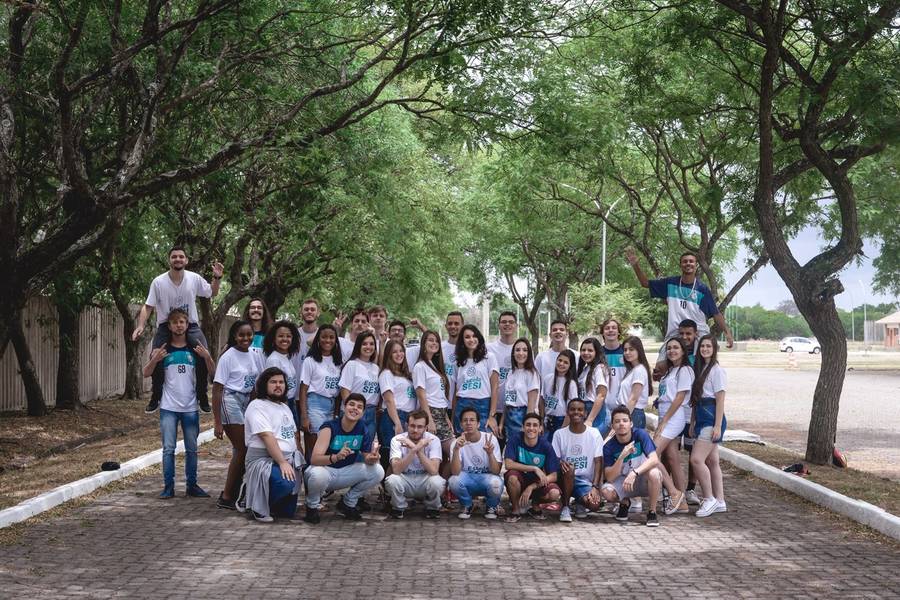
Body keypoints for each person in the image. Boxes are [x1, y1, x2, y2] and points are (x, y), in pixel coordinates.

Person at [132, 245, 223, 414]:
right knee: (156, 356)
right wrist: (140, 325)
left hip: (190, 325)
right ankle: (156, 396)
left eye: (181, 256)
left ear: (186, 260)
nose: (178, 259)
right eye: (174, 257)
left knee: (203, 355)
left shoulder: (194, 278)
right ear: (169, 260)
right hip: (166, 326)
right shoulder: (158, 282)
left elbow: (212, 293)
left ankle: (202, 396)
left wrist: (217, 277)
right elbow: (148, 306)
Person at [142, 308, 214, 499]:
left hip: (190, 408)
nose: (179, 325)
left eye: (182, 322)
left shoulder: (195, 351)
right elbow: (146, 373)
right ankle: (168, 487)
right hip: (168, 408)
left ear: (187, 325)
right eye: (175, 322)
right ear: (169, 326)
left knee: (192, 449)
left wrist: (207, 357)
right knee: (168, 449)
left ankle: (192, 485)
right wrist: (155, 359)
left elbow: (213, 372)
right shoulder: (163, 351)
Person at [625, 247, 733, 349]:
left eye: (691, 261)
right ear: (680, 265)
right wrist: (635, 265)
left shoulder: (702, 289)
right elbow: (645, 283)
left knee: (705, 363)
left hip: (698, 335)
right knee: (660, 366)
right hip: (675, 334)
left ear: (696, 265)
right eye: (685, 261)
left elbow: (716, 313)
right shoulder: (670, 283)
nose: (688, 263)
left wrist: (727, 333)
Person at [303, 394, 384, 523]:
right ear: (344, 407)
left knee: (378, 471)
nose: (355, 409)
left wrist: (373, 458)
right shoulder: (329, 427)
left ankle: (348, 503)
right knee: (318, 474)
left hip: (345, 472)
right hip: (325, 471)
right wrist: (336, 457)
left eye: (359, 407)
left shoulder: (362, 428)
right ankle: (312, 506)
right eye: (351, 404)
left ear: (363, 412)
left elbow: (366, 457)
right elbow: (314, 460)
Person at [212, 320, 265, 509]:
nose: (245, 338)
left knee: (241, 449)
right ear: (235, 336)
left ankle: (232, 492)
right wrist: (218, 422)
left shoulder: (254, 355)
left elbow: (254, 385)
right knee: (243, 447)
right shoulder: (228, 356)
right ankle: (227, 496)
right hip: (230, 399)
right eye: (241, 335)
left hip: (246, 401)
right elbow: (217, 389)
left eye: (249, 335)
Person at [241, 367, 304, 522]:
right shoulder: (257, 405)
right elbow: (266, 435)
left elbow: (294, 434)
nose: (278, 385)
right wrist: (282, 462)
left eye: (281, 382)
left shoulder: (284, 406)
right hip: (264, 459)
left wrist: (298, 454)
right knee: (286, 483)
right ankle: (253, 501)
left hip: (288, 459)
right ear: (264, 385)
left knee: (287, 513)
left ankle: (267, 500)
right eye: (273, 382)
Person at [600, 406, 665, 527]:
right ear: (612, 426)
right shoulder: (608, 446)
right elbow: (609, 477)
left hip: (642, 479)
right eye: (617, 421)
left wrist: (634, 473)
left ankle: (652, 512)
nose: (621, 424)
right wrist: (622, 456)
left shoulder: (640, 434)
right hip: (624, 482)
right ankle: (624, 503)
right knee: (606, 492)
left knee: (655, 473)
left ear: (631, 423)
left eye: (625, 420)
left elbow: (654, 459)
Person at [689, 335, 728, 517]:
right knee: (712, 461)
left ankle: (709, 498)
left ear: (714, 349)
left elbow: (720, 399)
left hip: (712, 417)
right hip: (701, 415)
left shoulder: (717, 370)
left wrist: (718, 425)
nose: (705, 349)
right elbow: (696, 398)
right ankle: (720, 501)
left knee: (696, 459)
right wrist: (693, 421)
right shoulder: (700, 368)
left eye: (708, 346)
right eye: (702, 346)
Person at [654, 337, 693, 514]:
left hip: (673, 417)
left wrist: (664, 421)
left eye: (676, 348)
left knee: (650, 454)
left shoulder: (684, 370)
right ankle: (682, 502)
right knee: (672, 459)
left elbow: (679, 398)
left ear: (683, 351)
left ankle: (673, 492)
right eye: (669, 348)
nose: (672, 351)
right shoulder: (670, 371)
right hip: (664, 414)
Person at [384, 410, 445, 519]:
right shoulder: (397, 439)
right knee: (392, 480)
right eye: (412, 426)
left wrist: (418, 450)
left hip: (425, 479)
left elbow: (434, 470)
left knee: (438, 482)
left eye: (420, 427)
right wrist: (413, 450)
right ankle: (398, 507)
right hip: (405, 478)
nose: (415, 430)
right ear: (407, 425)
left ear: (426, 427)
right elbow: (396, 470)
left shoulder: (433, 440)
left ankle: (432, 508)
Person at [552, 397, 605, 522]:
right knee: (570, 468)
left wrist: (595, 487)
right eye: (573, 409)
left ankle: (579, 502)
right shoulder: (559, 434)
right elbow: (554, 459)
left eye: (580, 410)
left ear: (585, 413)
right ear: (567, 412)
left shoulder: (594, 434)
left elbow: (598, 462)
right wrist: (560, 462)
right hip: (565, 477)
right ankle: (565, 507)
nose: (576, 412)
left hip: (584, 481)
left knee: (594, 504)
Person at [503, 412, 561, 521]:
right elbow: (508, 464)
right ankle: (516, 510)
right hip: (519, 481)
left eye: (535, 425)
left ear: (540, 429)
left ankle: (535, 506)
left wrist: (532, 487)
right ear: (523, 427)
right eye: (528, 425)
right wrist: (534, 468)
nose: (531, 428)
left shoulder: (546, 446)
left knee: (554, 493)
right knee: (512, 477)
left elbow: (554, 476)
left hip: (536, 484)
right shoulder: (514, 440)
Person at [298, 324, 343, 461]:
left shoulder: (339, 362)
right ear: (318, 339)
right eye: (324, 337)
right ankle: (309, 479)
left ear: (336, 340)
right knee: (314, 447)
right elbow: (303, 390)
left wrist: (335, 412)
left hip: (331, 406)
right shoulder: (310, 361)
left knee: (327, 446)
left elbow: (338, 391)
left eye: (331, 337)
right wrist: (304, 416)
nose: (327, 340)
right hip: (315, 404)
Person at [448, 407, 503, 519]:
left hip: (486, 477)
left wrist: (490, 453)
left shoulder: (490, 439)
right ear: (461, 424)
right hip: (468, 478)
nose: (468, 423)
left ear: (478, 424)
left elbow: (496, 471)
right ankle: (467, 505)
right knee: (453, 481)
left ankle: (491, 506)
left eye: (472, 420)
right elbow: (455, 472)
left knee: (497, 483)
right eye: (465, 420)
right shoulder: (456, 443)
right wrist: (456, 449)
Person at [378, 340, 419, 469]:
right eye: (394, 352)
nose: (399, 354)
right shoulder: (386, 373)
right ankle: (387, 484)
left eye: (401, 351)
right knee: (391, 452)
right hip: (393, 417)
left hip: (409, 417)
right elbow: (389, 400)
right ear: (388, 354)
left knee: (405, 453)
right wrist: (397, 423)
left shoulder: (407, 375)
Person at [453, 324, 500, 435]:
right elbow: (455, 392)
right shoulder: (458, 362)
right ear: (462, 340)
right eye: (467, 337)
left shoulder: (489, 357)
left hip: (483, 405)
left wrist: (492, 416)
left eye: (474, 336)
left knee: (486, 440)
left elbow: (495, 388)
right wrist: (452, 418)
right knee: (463, 443)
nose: (471, 339)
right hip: (462, 404)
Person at [413, 330, 454, 447]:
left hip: (442, 413)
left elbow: (440, 394)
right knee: (452, 449)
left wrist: (446, 417)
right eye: (431, 340)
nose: (434, 343)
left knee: (445, 457)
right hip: (430, 412)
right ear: (423, 344)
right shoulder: (420, 366)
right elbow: (421, 395)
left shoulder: (435, 366)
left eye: (437, 341)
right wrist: (429, 420)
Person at [338, 331, 381, 435]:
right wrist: (352, 411)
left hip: (371, 413)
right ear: (358, 346)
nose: (368, 347)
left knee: (366, 448)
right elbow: (344, 390)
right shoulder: (352, 364)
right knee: (350, 448)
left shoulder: (376, 368)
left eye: (371, 344)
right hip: (354, 411)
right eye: (364, 344)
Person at [263, 320, 302, 428]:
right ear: (274, 339)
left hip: (290, 401)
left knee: (295, 436)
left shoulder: (286, 357)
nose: (285, 339)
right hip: (281, 403)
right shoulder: (274, 360)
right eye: (280, 336)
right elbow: (274, 387)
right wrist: (283, 407)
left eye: (288, 336)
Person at [500, 338, 540, 444]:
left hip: (522, 415)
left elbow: (531, 404)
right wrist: (501, 423)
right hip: (509, 416)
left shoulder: (532, 373)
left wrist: (527, 425)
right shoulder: (510, 373)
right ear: (513, 353)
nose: (521, 353)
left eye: (525, 350)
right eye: (517, 350)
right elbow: (508, 400)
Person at [488, 311, 517, 433]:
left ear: (516, 326)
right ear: (499, 325)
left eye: (511, 322)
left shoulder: (522, 349)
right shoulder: (489, 348)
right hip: (492, 409)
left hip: (514, 410)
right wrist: (491, 414)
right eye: (504, 322)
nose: (507, 324)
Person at [541, 349, 578, 440]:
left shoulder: (571, 384)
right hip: (547, 420)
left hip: (562, 421)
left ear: (570, 366)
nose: (561, 364)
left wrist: (563, 428)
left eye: (566, 362)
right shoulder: (547, 379)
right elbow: (542, 400)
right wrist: (541, 420)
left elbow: (572, 409)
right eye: (560, 360)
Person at [576, 337, 610, 435]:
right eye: (583, 350)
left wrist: (590, 419)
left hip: (596, 413)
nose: (586, 353)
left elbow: (601, 395)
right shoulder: (586, 369)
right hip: (585, 410)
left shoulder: (599, 368)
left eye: (590, 350)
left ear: (597, 352)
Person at [617, 336, 653, 429]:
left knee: (633, 443)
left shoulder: (639, 370)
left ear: (639, 350)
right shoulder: (632, 370)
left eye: (631, 349)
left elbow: (633, 399)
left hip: (633, 413)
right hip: (628, 412)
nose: (627, 353)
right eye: (625, 350)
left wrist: (624, 418)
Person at [601, 318, 626, 428]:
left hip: (622, 405)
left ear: (619, 332)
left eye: (614, 328)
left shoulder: (626, 352)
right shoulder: (598, 353)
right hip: (602, 406)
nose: (610, 330)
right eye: (607, 328)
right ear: (602, 332)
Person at [442, 311, 464, 402]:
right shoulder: (439, 348)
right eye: (450, 323)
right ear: (445, 326)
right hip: (441, 403)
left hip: (461, 403)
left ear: (462, 326)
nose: (453, 326)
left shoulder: (469, 349)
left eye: (456, 323)